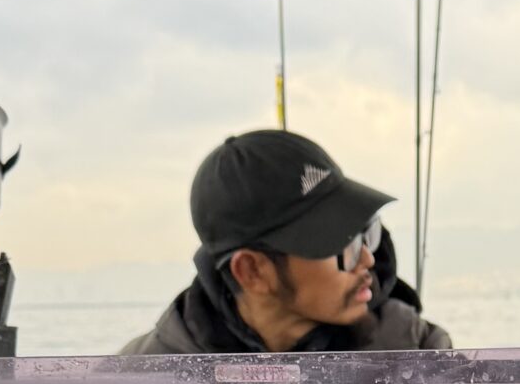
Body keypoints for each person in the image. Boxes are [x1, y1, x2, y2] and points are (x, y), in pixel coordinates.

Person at [119, 129, 450, 355]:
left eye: (367, 233)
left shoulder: (419, 355)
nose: (367, 260)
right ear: (252, 271)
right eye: (343, 244)